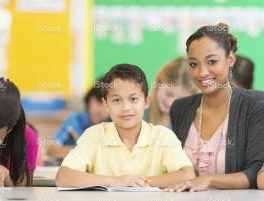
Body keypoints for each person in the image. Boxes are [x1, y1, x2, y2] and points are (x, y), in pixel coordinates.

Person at [55, 64, 195, 188]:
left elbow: (187, 175)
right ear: (105, 105)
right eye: (116, 100)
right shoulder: (93, 135)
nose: (126, 107)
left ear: (146, 102)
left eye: (133, 99)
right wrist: (115, 181)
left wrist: (139, 182)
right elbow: (63, 177)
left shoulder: (163, 136)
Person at [165, 23, 264, 192]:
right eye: (194, 64)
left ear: (230, 59)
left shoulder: (254, 103)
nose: (202, 72)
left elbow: (255, 173)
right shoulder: (180, 108)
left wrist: (209, 180)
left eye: (212, 61)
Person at [46, 85, 110, 157]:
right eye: (98, 101)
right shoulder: (74, 120)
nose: (101, 109)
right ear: (89, 99)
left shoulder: (114, 125)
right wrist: (80, 150)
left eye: (106, 105)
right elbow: (51, 150)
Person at [146, 57, 199, 128]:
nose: (170, 103)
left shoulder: (191, 125)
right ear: (158, 82)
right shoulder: (138, 109)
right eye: (168, 94)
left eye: (180, 100)